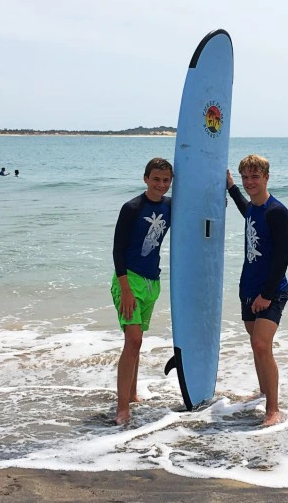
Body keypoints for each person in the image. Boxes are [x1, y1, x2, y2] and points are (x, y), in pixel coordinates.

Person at [227, 154, 288, 426]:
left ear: (266, 177)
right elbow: (246, 208)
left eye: (255, 177)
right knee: (257, 347)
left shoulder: (277, 212)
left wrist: (266, 295)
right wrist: (231, 188)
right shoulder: (254, 208)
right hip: (248, 287)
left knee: (261, 344)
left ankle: (273, 409)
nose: (250, 182)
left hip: (271, 290)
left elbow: (283, 258)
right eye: (245, 178)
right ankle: (264, 391)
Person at [111, 157, 173, 424]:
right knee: (133, 341)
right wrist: (125, 289)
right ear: (145, 178)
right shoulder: (132, 207)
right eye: (156, 179)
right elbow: (117, 250)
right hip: (129, 281)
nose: (160, 184)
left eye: (166, 180)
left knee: (137, 341)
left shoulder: (171, 206)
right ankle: (122, 408)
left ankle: (133, 394)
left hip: (152, 282)